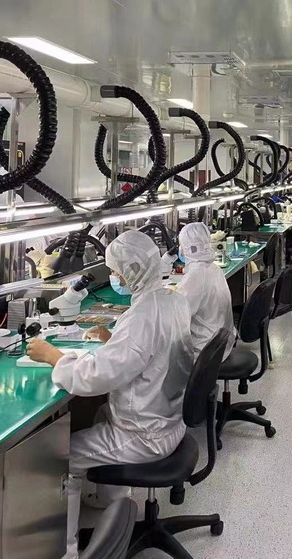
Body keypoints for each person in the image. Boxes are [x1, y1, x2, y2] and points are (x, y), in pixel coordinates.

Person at [26, 231, 195, 559]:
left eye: (116, 271)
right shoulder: (171, 300)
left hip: (144, 435)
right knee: (101, 414)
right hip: (169, 420)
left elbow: (95, 378)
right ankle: (111, 501)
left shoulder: (141, 316)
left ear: (133, 271)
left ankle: (67, 552)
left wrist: (54, 357)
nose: (114, 277)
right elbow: (148, 352)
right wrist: (112, 340)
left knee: (63, 458)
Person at [177, 222, 236, 361]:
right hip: (222, 343)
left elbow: (178, 314)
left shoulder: (196, 275)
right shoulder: (214, 268)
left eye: (181, 245)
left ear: (188, 248)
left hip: (205, 350)